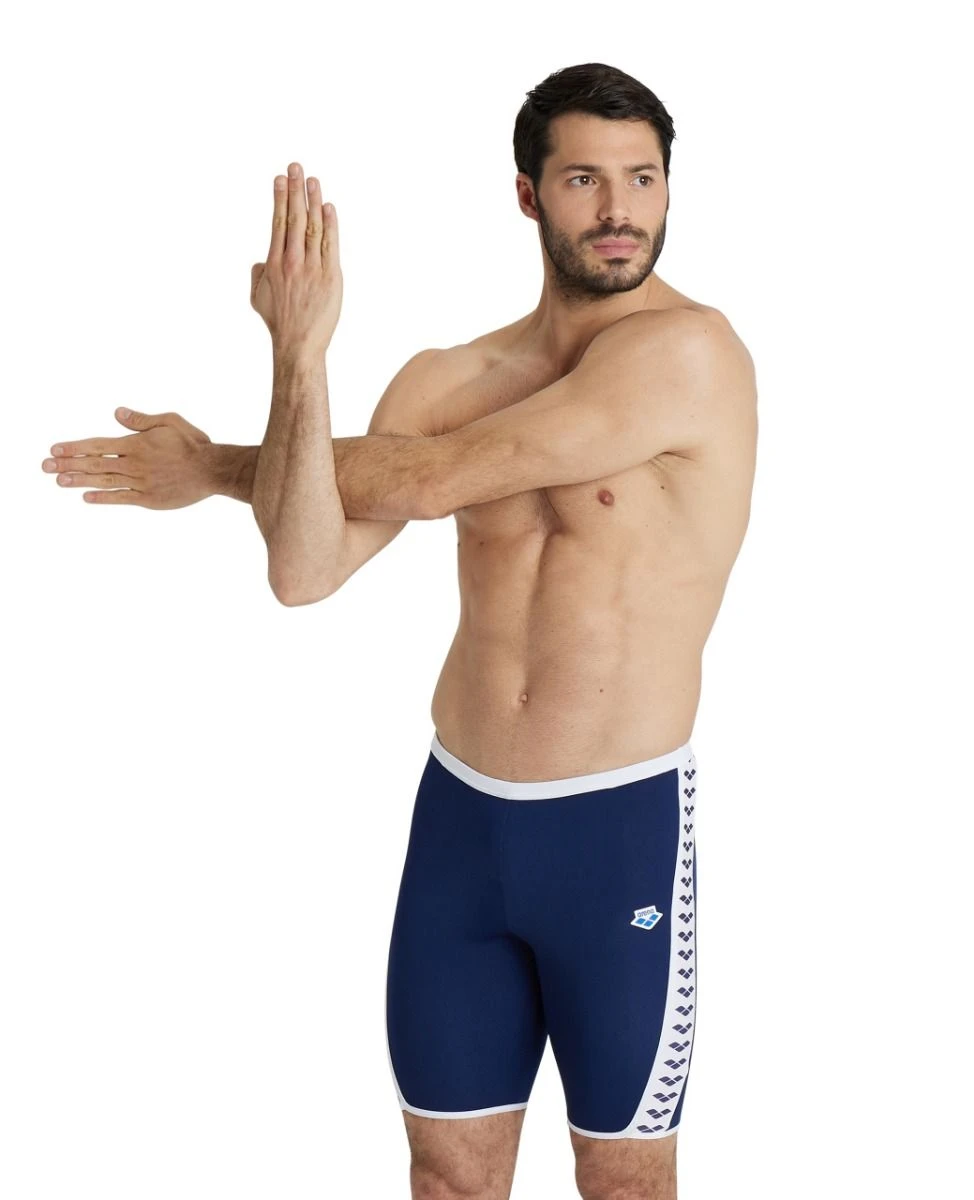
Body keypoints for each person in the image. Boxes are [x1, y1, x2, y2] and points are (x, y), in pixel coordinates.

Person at [41, 62, 757, 1200]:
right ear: (528, 194)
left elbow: (431, 479)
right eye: (584, 179)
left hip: (614, 826)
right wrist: (300, 353)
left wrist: (213, 466)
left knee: (624, 1182)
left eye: (642, 178)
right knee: (445, 1177)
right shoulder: (446, 376)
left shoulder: (690, 355)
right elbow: (305, 566)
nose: (619, 209)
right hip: (461, 825)